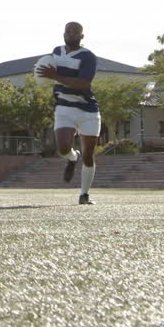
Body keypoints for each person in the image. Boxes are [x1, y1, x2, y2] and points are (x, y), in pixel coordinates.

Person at [36, 21, 100, 205]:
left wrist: (54, 77)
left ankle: (84, 195)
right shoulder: (56, 51)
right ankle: (73, 157)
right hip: (64, 107)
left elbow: (83, 83)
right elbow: (45, 72)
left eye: (75, 32)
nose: (71, 34)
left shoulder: (88, 57)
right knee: (63, 148)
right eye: (68, 31)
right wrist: (41, 74)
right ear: (63, 34)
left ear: (82, 36)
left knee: (89, 153)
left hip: (87, 109)